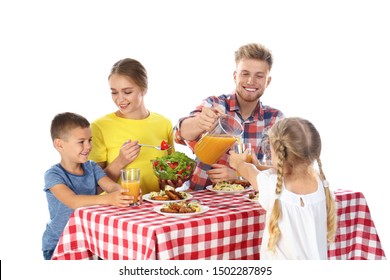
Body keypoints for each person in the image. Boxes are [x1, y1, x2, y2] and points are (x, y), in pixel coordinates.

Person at [174, 43, 285, 191]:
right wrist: (199, 122)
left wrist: (239, 175)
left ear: (268, 81)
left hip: (250, 205)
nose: (251, 81)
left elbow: (279, 173)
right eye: (245, 74)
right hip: (200, 199)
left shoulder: (274, 120)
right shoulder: (214, 105)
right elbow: (179, 134)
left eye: (259, 76)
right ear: (235, 76)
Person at [229, 117, 337, 260]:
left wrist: (238, 163)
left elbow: (249, 172)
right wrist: (259, 166)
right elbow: (285, 170)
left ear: (278, 153)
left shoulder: (275, 187)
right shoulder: (322, 184)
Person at [42, 112, 133, 260]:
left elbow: (110, 186)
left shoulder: (91, 167)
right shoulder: (53, 174)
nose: (88, 146)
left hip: (89, 240)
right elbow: (74, 201)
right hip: (60, 244)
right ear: (59, 144)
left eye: (90, 140)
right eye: (81, 142)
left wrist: (123, 192)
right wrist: (110, 199)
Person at [89, 58, 177, 194]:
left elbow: (173, 174)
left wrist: (171, 181)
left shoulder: (164, 123)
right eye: (114, 92)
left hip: (157, 207)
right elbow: (92, 186)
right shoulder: (99, 127)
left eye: (127, 92)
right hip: (119, 209)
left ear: (143, 89)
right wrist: (120, 161)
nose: (120, 99)